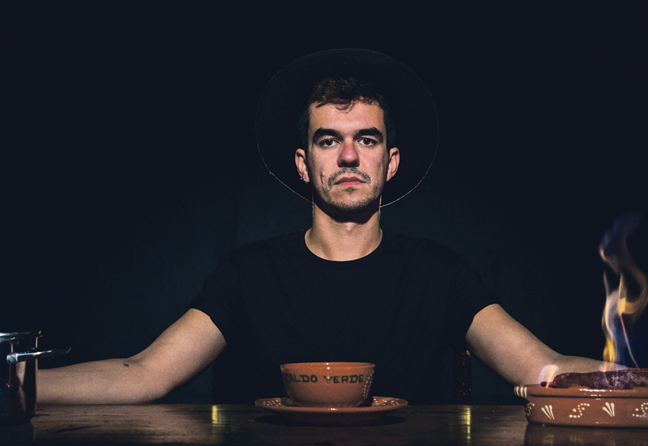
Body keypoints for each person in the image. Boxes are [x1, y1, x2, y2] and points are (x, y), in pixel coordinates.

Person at [38, 49, 612, 405]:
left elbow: (546, 369)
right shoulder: (247, 275)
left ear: (390, 162)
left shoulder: (441, 274)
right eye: (328, 140)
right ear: (302, 163)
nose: (348, 157)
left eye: (367, 139)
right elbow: (144, 374)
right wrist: (12, 387)